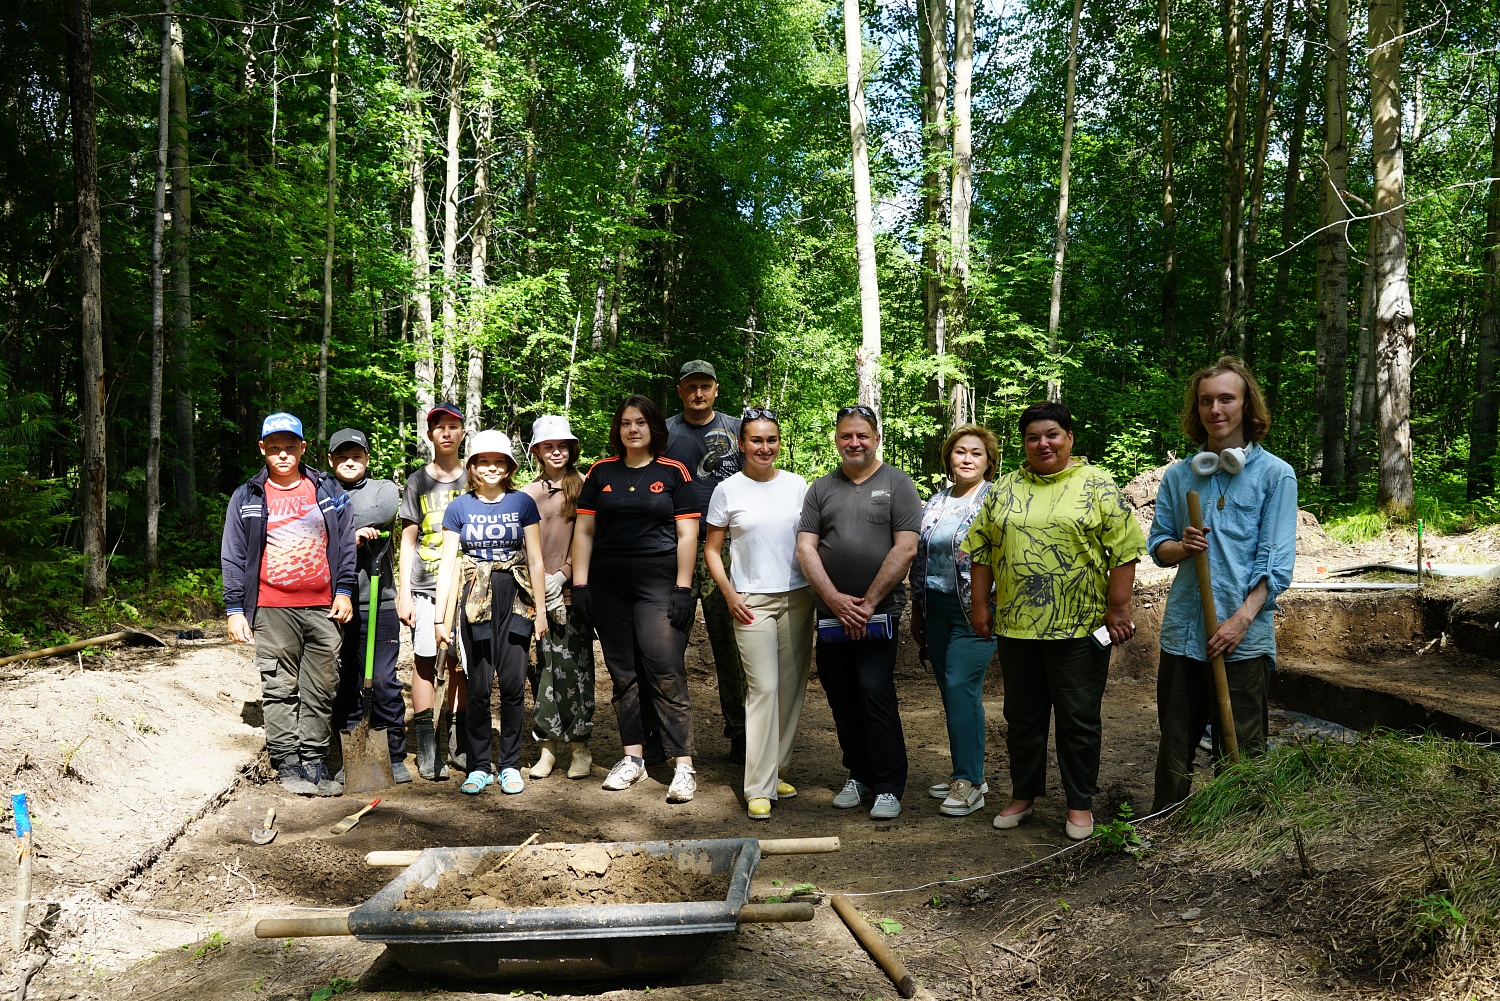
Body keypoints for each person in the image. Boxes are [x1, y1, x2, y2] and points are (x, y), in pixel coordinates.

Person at [962, 401, 1146, 840]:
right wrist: (980, 605)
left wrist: (1118, 609)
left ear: (1069, 439)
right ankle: (1023, 795)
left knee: (1077, 717)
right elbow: (982, 549)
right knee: (1022, 716)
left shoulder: (1097, 485)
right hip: (1016, 626)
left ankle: (1079, 804)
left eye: (1052, 435)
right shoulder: (1004, 488)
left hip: (1080, 628)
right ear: (1023, 444)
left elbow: (1124, 551)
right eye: (1032, 437)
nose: (1042, 443)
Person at [1149, 356, 1296, 812]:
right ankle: (1163, 825)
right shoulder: (1179, 475)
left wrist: (1239, 622)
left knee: (1244, 747)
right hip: (1183, 633)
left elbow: (1276, 563)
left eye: (1226, 399)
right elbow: (1158, 546)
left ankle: (1236, 833)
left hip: (1241, 639)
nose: (1216, 409)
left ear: (1245, 404)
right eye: (1206, 400)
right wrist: (1182, 545)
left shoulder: (1276, 475)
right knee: (1174, 742)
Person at [571, 394, 701, 803]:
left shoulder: (674, 472)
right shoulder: (600, 473)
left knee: (664, 671)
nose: (633, 429)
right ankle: (633, 758)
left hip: (660, 586)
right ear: (618, 429)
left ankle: (683, 764)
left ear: (653, 428)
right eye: (626, 423)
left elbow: (687, 535)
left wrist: (683, 588)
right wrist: (580, 585)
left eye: (640, 422)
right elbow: (586, 532)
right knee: (624, 675)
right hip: (609, 588)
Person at [796, 405, 922, 821]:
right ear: (837, 439)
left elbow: (905, 547)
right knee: (841, 693)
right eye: (847, 435)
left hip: (879, 612)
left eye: (862, 436)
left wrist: (866, 603)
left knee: (874, 690)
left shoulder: (897, 484)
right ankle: (859, 774)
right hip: (832, 615)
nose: (854, 443)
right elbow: (805, 548)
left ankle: (888, 783)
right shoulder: (821, 489)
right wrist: (834, 599)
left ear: (876, 438)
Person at [222, 412, 355, 797]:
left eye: (290, 447)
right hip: (270, 606)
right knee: (280, 688)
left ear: (302, 448)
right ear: (263, 449)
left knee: (321, 686)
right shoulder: (247, 495)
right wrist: (234, 609)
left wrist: (344, 589)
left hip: (323, 607)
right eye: (275, 447)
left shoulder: (328, 490)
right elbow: (232, 553)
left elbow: (345, 544)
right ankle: (287, 763)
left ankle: (314, 760)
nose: (283, 454)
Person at [704, 408, 813, 821]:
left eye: (771, 440)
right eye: (756, 440)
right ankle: (757, 787)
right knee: (764, 688)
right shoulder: (728, 490)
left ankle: (776, 770)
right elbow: (712, 550)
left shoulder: (798, 485)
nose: (764, 447)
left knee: (790, 688)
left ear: (778, 443)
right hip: (751, 601)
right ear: (742, 444)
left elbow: (810, 541)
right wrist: (729, 593)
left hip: (798, 598)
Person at [434, 430, 548, 795]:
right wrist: (440, 619)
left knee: (514, 684)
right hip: (474, 600)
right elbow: (448, 566)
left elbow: (535, 558)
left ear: (510, 466)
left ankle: (510, 763)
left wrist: (542, 611)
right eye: (484, 461)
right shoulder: (459, 508)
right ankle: (481, 764)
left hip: (516, 596)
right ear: (472, 466)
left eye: (500, 461)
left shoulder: (522, 503)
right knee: (479, 684)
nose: (492, 467)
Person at [910, 424, 999, 818]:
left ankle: (971, 781)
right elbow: (920, 556)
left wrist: (988, 606)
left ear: (989, 462)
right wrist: (917, 609)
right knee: (951, 693)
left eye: (976, 453)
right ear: (949, 458)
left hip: (977, 611)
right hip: (937, 610)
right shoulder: (935, 501)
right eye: (960, 451)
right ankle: (965, 772)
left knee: (962, 686)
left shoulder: (997, 501)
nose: (967, 459)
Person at [664, 360, 748, 763]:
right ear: (680, 391)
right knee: (665, 643)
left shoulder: (737, 430)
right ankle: (662, 734)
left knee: (730, 645)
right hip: (673, 545)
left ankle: (742, 732)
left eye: (705, 386)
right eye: (691, 386)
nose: (698, 393)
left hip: (727, 546)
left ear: (716, 390)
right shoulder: (664, 431)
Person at [326, 428, 410, 784]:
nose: (349, 462)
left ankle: (393, 753)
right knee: (344, 683)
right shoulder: (320, 490)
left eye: (356, 456)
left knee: (385, 681)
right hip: (335, 604)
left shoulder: (383, 489)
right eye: (342, 456)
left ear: (367, 459)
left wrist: (335, 528)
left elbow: (384, 511)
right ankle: (352, 754)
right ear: (330, 460)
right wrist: (348, 536)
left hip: (380, 601)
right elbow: (312, 527)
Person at [521, 414, 596, 781]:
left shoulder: (585, 487)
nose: (556, 452)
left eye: (562, 446)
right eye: (549, 446)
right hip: (533, 596)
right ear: (536, 451)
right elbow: (521, 546)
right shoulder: (525, 494)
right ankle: (547, 748)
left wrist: (564, 575)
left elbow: (592, 538)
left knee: (576, 670)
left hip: (572, 595)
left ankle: (580, 748)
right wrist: (537, 586)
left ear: (572, 450)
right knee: (542, 672)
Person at [398, 403, 468, 781]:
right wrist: (403, 592)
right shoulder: (417, 481)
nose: (445, 432)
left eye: (453, 426)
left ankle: (455, 740)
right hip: (425, 584)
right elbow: (407, 540)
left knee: (460, 665)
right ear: (429, 435)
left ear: (462, 433)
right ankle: (427, 746)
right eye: (438, 427)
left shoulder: (475, 477)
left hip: (467, 586)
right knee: (426, 660)